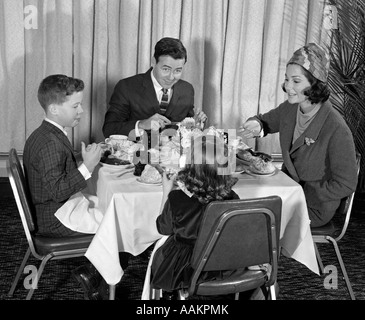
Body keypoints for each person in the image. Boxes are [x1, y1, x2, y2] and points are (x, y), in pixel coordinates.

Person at [240, 43, 358, 227]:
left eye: (296, 81)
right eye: (286, 79)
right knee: (241, 207)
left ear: (315, 84)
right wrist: (256, 124)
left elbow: (347, 183)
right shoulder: (290, 108)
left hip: (313, 207)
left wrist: (304, 191)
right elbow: (265, 121)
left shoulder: (336, 129)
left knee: (253, 220)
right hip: (286, 194)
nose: (288, 87)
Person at [23, 74, 106, 299]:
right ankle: (96, 278)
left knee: (113, 207)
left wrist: (81, 157)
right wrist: (87, 166)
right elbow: (58, 191)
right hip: (56, 217)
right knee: (118, 222)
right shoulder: (49, 143)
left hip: (55, 208)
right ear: (54, 109)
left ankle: (96, 272)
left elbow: (56, 169)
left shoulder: (48, 134)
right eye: (76, 105)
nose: (81, 111)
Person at [150, 135, 239, 299]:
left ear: (189, 168)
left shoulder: (176, 198)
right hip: (220, 264)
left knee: (159, 254)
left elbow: (163, 228)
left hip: (184, 269)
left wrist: (166, 192)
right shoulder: (232, 197)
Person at [102, 37, 207, 142]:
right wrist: (142, 124)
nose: (171, 77)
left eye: (178, 71)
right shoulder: (126, 86)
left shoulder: (187, 89)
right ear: (153, 62)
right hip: (135, 155)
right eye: (166, 69)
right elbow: (109, 129)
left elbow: (185, 129)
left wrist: (196, 124)